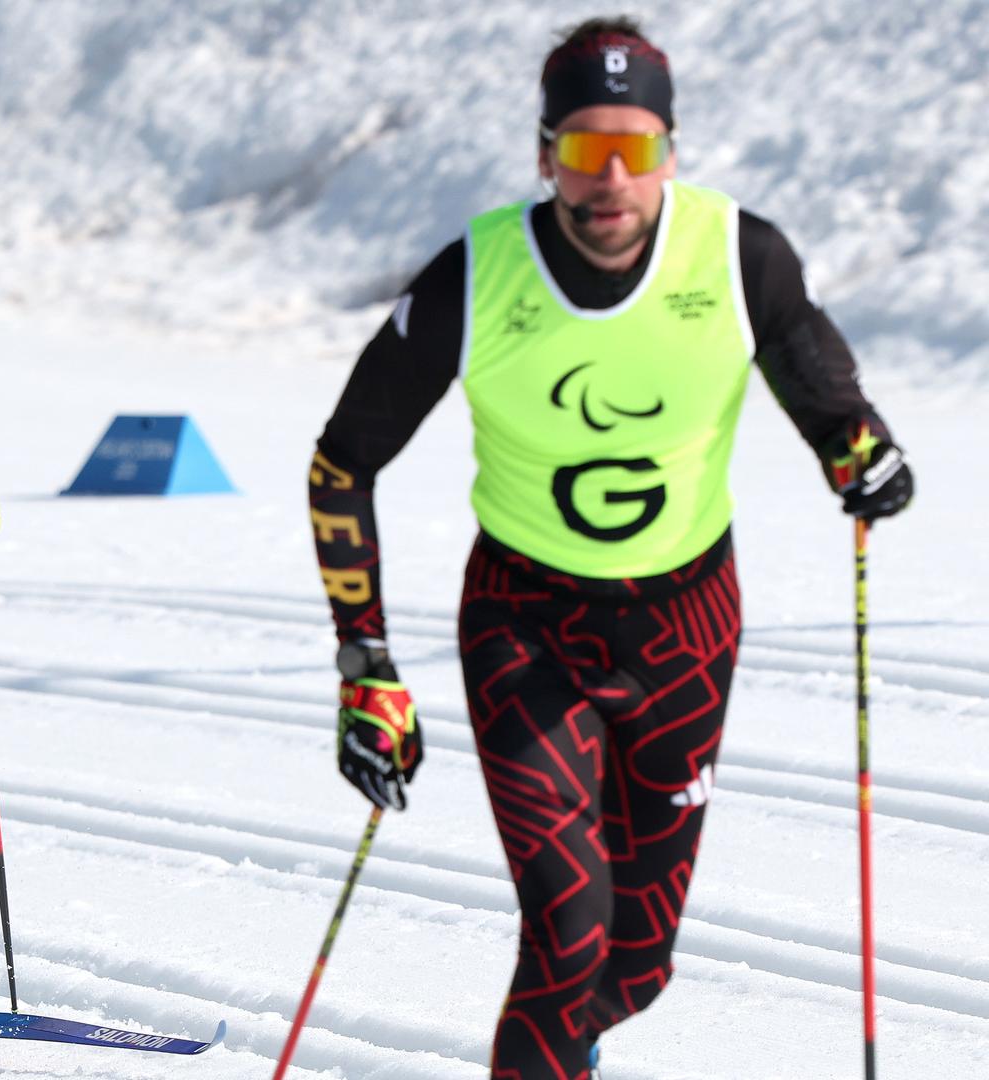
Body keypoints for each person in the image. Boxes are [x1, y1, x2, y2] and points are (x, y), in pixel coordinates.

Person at [309, 17, 913, 1079]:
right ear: (546, 157)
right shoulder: (476, 276)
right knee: (567, 934)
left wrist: (858, 452)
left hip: (688, 628)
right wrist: (367, 668)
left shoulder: (739, 255)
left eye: (638, 149)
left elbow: (826, 388)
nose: (613, 179)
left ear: (672, 151)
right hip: (523, 626)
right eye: (587, 152)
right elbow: (342, 465)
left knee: (634, 965)